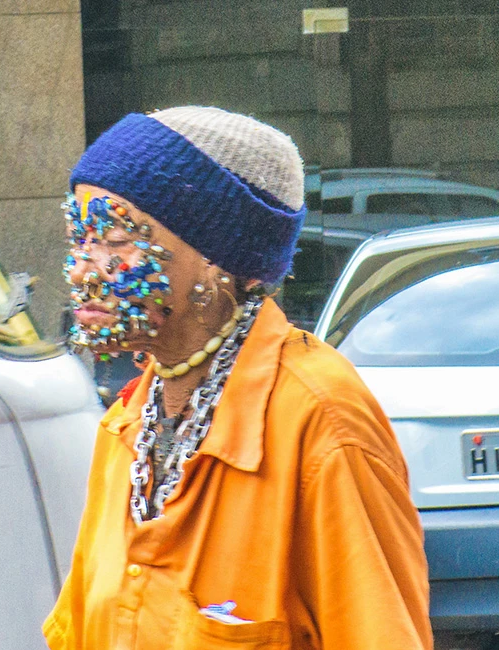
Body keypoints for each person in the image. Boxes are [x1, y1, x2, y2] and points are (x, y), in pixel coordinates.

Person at [45, 107, 432, 649]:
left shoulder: (321, 421)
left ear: (215, 257)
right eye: (78, 238)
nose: (84, 269)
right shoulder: (128, 423)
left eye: (114, 238)